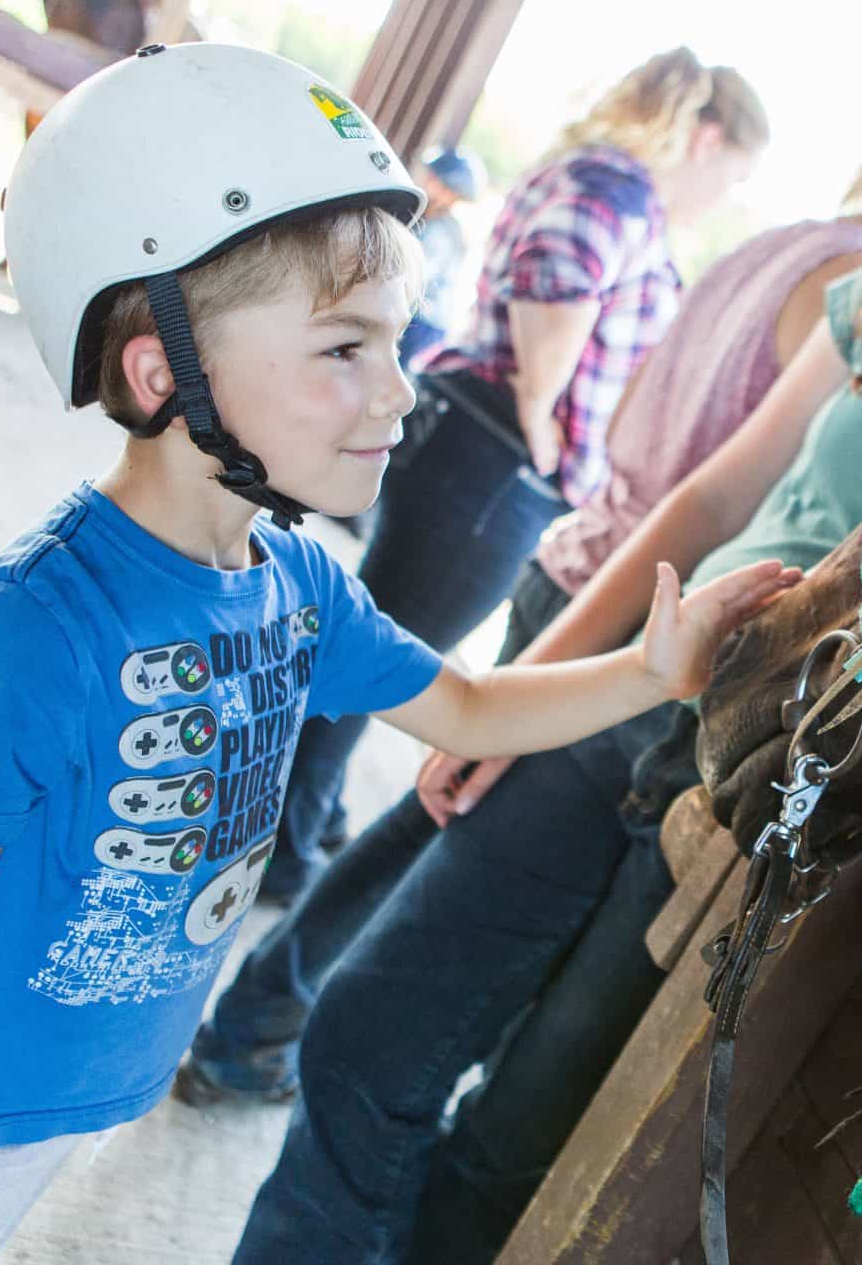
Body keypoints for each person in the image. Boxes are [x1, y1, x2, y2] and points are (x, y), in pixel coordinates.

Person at [0, 44, 796, 1265]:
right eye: (344, 349)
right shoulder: (18, 640)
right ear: (162, 373)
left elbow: (467, 705)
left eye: (396, 342)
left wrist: (653, 669)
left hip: (35, 1111)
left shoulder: (297, 586)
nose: (399, 393)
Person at [223, 0, 862, 1261]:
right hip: (637, 699)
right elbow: (713, 498)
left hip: (783, 811)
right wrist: (526, 691)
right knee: (366, 1031)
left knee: (517, 1145)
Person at [178, 64, 862, 1106]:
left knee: (438, 817)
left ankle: (255, 1021)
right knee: (454, 848)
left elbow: (646, 393)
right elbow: (738, 487)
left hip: (591, 557)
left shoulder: (778, 247)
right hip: (640, 600)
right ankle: (261, 1029)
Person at [262, 47, 770, 902]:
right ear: (707, 139)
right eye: (734, 174)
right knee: (391, 659)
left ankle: (300, 815)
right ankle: (282, 839)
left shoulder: (602, 178)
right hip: (498, 454)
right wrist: (541, 423)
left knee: (384, 637)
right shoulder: (616, 189)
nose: (722, 195)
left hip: (478, 447)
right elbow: (558, 279)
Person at [398, 146, 483, 367]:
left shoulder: (442, 232)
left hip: (423, 322)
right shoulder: (426, 218)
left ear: (449, 191)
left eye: (433, 178)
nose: (426, 180)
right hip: (415, 316)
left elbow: (414, 276)